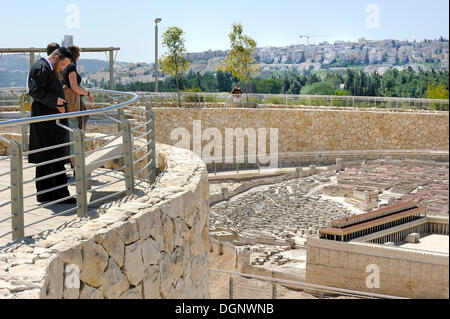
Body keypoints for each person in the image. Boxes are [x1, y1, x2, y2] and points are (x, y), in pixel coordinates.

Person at [27, 47, 76, 204]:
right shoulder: (41, 67)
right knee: (52, 156)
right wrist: (56, 101)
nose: (63, 69)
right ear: (56, 58)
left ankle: (47, 194)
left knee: (49, 157)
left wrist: (58, 103)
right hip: (45, 122)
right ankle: (57, 194)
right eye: (63, 65)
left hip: (49, 121)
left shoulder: (47, 68)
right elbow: (35, 91)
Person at [62, 45, 94, 169]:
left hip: (69, 106)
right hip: (73, 107)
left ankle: (75, 166)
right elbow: (74, 87)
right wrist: (88, 93)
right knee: (75, 136)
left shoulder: (65, 67)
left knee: (73, 135)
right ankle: (77, 169)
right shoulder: (71, 67)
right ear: (77, 55)